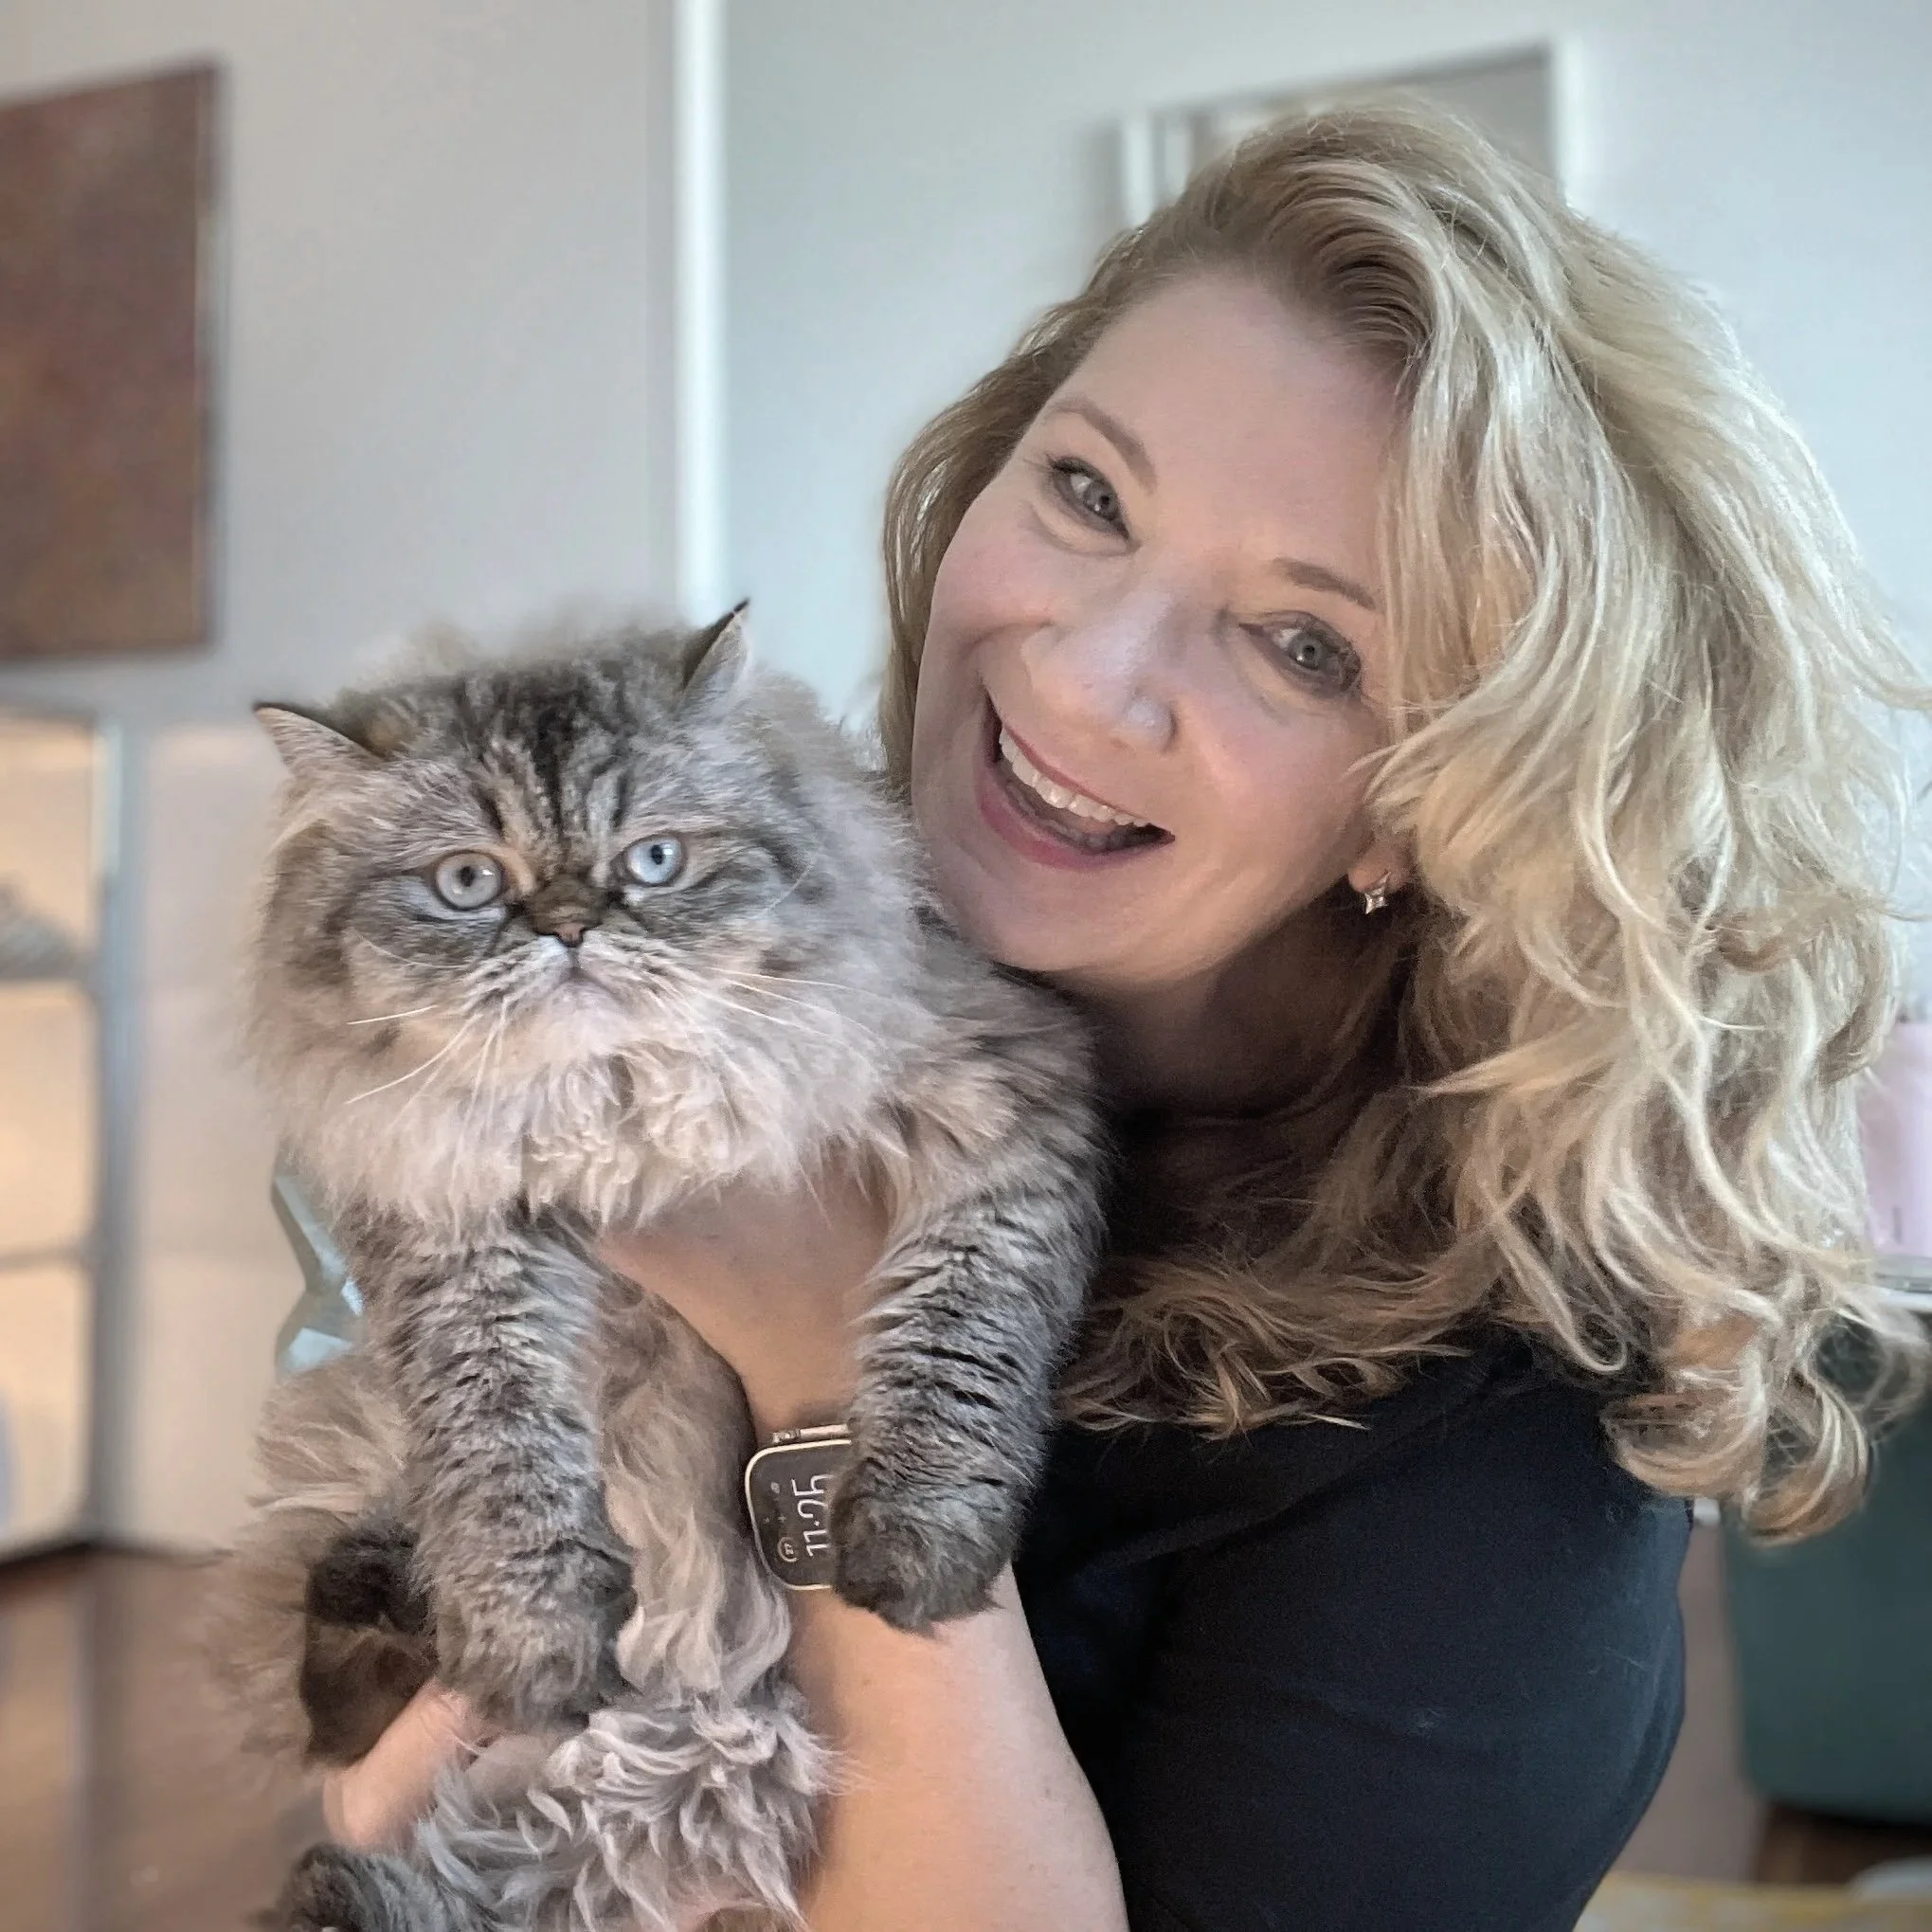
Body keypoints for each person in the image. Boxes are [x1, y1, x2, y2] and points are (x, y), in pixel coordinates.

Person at [316, 104, 1927, 1929]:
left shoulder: (1487, 1460)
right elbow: (408, 1760)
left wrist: (830, 1369)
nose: (1081, 678)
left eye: (1303, 643)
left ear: (1434, 799)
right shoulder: (747, 961)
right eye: (1086, 494)